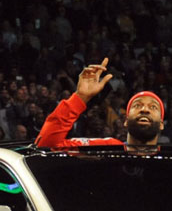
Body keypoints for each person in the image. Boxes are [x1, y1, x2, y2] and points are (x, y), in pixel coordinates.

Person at [35, 57, 164, 152]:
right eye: (137, 105)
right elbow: (46, 147)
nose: (145, 110)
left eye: (153, 107)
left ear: (162, 124)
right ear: (125, 120)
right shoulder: (105, 148)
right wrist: (80, 98)